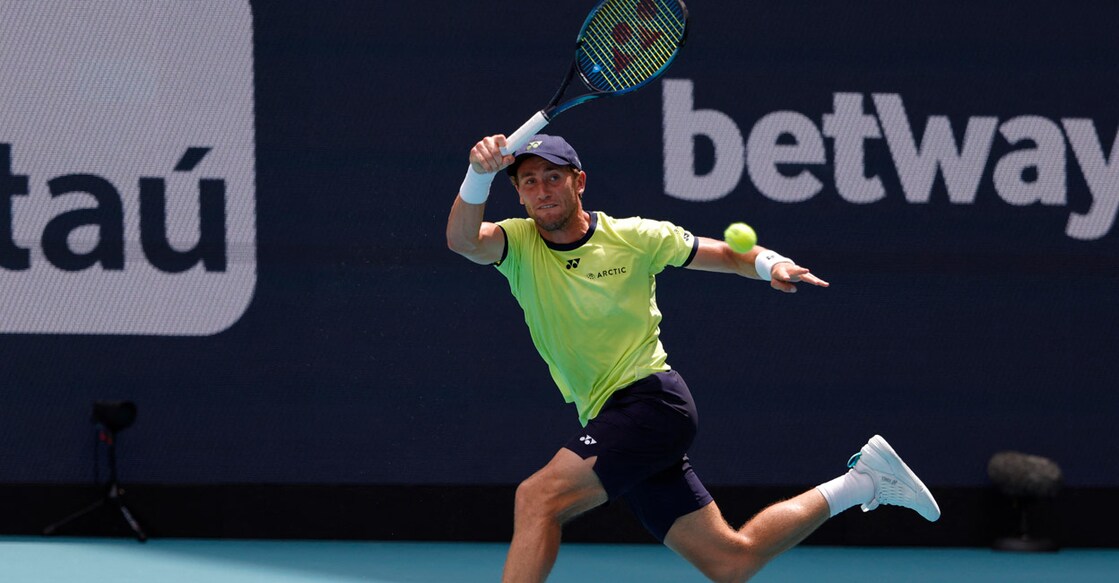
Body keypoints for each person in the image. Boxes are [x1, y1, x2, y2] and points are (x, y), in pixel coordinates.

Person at [446, 133, 940, 583]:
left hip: (649, 404)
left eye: (553, 177)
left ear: (579, 181)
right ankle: (863, 481)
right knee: (732, 560)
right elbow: (463, 240)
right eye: (529, 182)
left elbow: (725, 254)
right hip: (608, 415)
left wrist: (770, 263)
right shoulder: (518, 243)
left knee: (537, 498)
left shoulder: (635, 237)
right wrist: (477, 174)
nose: (542, 190)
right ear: (519, 194)